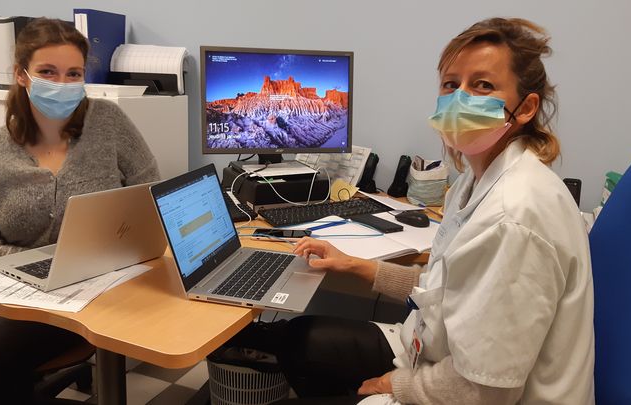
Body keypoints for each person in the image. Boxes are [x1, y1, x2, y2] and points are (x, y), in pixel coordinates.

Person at [235, 17, 595, 405]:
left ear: (525, 108)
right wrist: (354, 264)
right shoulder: (473, 181)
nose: (460, 98)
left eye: (483, 85)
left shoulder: (514, 215)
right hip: (437, 354)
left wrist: (394, 385)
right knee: (298, 339)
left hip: (478, 390)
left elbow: (487, 388)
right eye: (451, 84)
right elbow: (447, 286)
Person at [0, 18, 159, 404]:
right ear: (21, 75)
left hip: (92, 288)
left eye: (73, 73)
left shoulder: (110, 124)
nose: (62, 84)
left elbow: (150, 199)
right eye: (48, 72)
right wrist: (45, 265)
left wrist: (88, 262)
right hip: (8, 283)